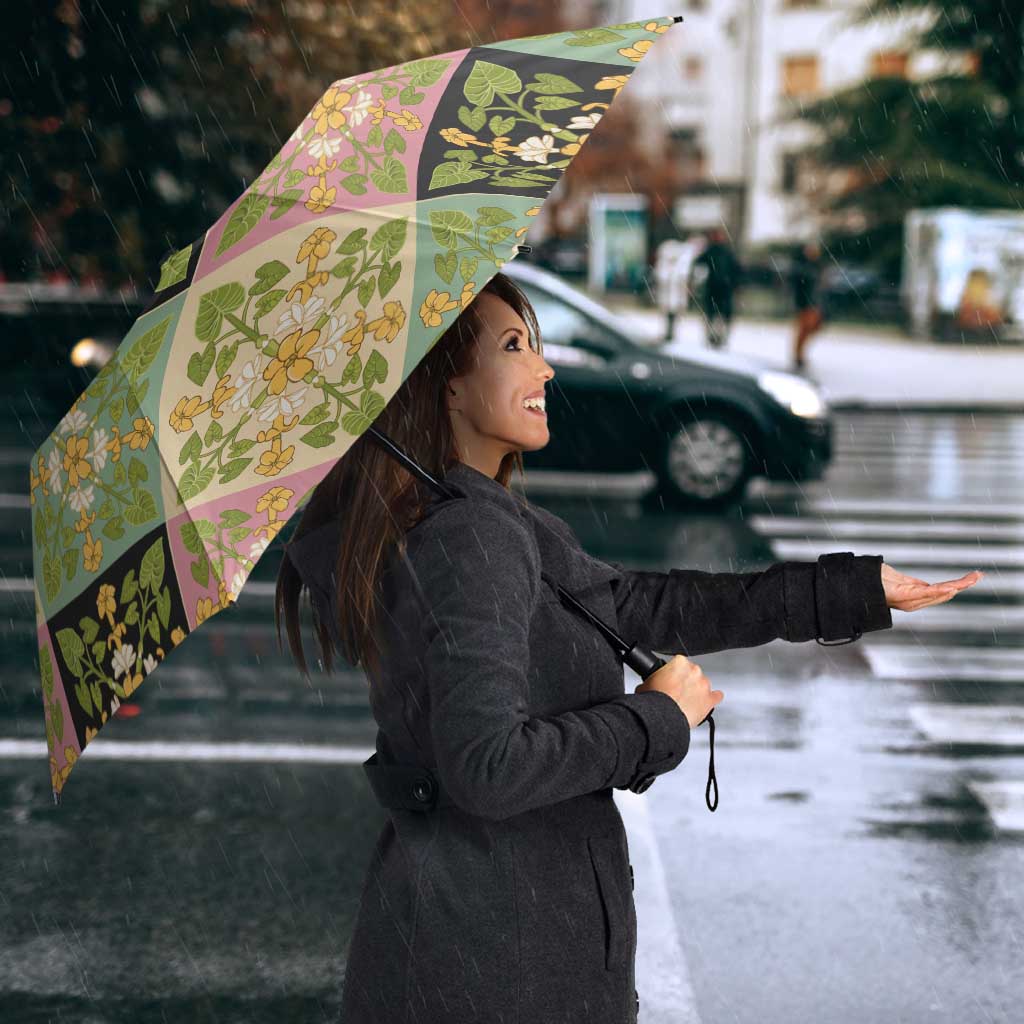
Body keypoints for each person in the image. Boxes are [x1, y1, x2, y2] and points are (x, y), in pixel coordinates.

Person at [276, 272, 970, 1024]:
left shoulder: (473, 517)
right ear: (445, 386)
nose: (544, 368)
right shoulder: (469, 537)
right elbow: (488, 767)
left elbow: (638, 605)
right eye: (515, 346)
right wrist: (657, 719)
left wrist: (849, 591)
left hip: (481, 941)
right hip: (500, 963)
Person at [692, 226, 742, 349]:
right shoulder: (712, 251)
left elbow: (736, 270)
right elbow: (698, 264)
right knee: (713, 314)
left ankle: (719, 337)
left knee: (720, 315)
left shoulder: (725, 252)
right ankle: (713, 337)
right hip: (715, 288)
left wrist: (735, 284)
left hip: (723, 288)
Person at [790, 239, 826, 371]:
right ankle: (798, 355)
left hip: (814, 303)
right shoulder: (802, 267)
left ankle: (800, 354)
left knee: (812, 328)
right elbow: (799, 286)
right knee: (804, 329)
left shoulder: (817, 266)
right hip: (805, 303)